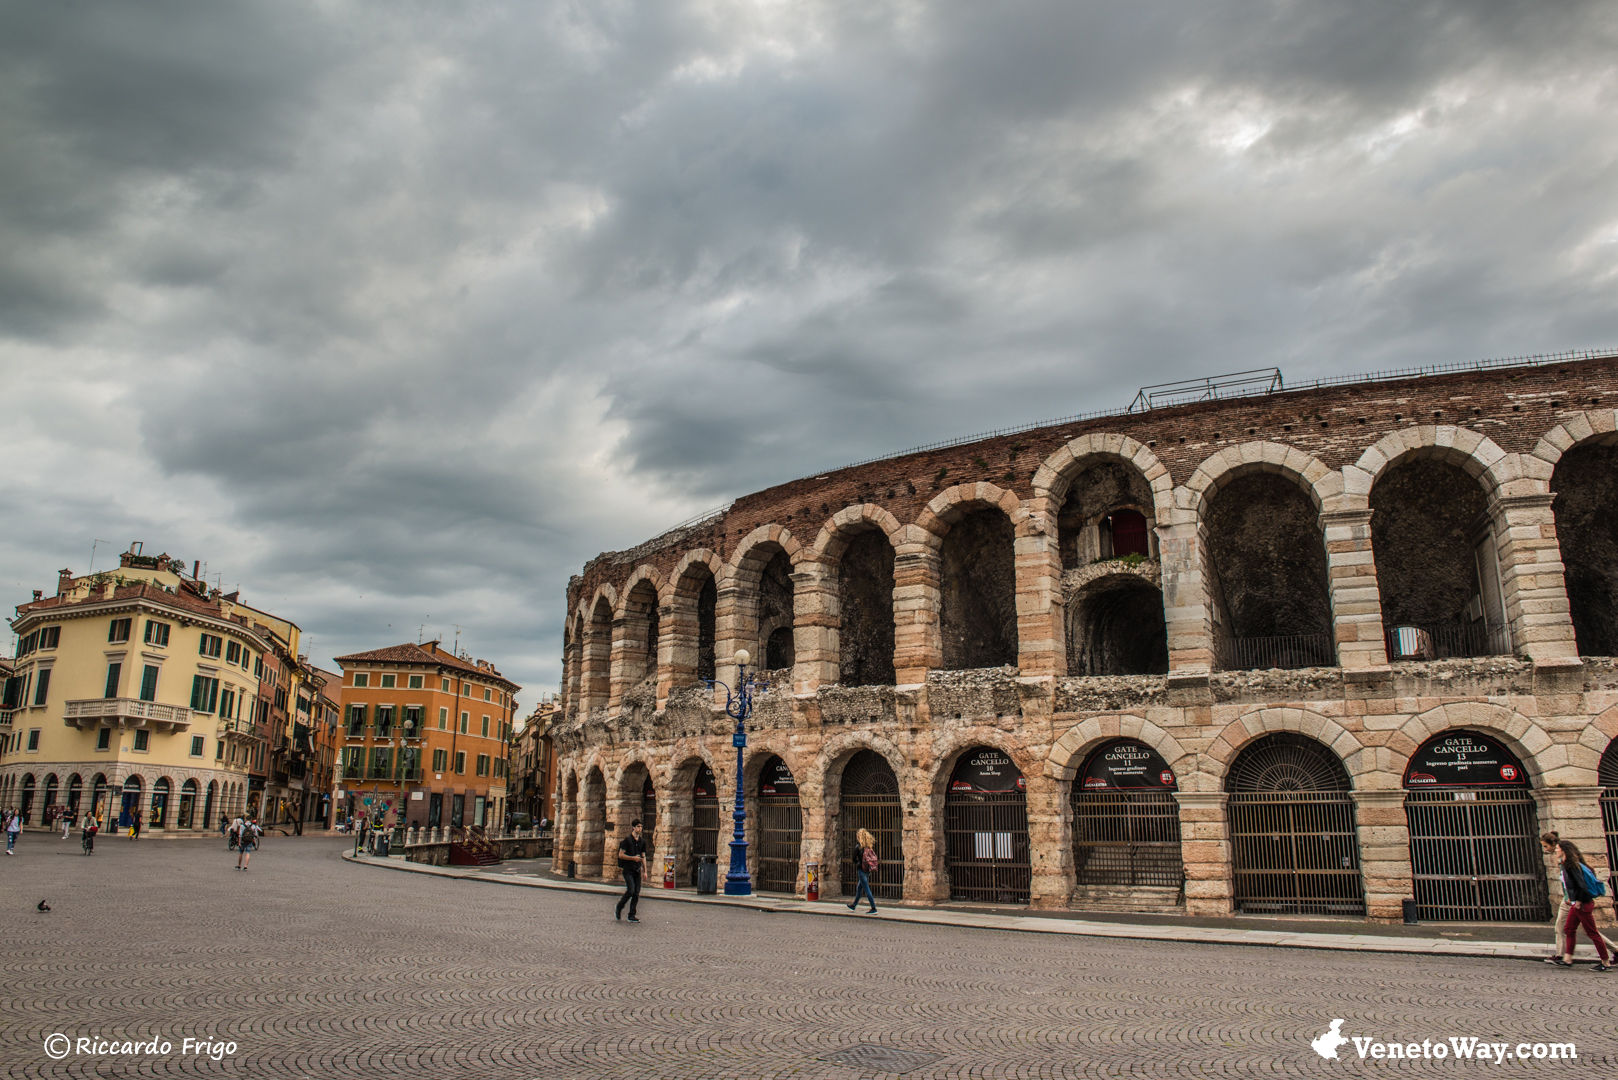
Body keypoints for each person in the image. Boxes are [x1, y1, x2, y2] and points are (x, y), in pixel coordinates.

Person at [1542, 832, 1618, 963]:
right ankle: (1564, 957)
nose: (1545, 849)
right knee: (1566, 928)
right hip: (1572, 900)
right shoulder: (1565, 860)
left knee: (1588, 931)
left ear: (1554, 845)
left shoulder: (1568, 863)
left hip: (1574, 901)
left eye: (1545, 846)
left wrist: (1572, 899)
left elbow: (1576, 884)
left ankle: (1609, 955)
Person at [615, 819, 647, 922]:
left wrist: (645, 871)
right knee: (631, 890)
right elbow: (620, 855)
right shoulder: (627, 840)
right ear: (633, 827)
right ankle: (619, 907)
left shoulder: (642, 842)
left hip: (637, 870)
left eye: (641, 827)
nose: (640, 828)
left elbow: (643, 856)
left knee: (636, 893)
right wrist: (633, 858)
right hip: (628, 870)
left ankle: (631, 915)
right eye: (638, 826)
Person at [846, 828, 879, 914]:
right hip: (867, 869)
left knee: (866, 888)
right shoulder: (869, 847)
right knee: (859, 888)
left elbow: (853, 859)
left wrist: (857, 863)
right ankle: (854, 905)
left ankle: (873, 908)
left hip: (861, 869)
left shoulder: (858, 847)